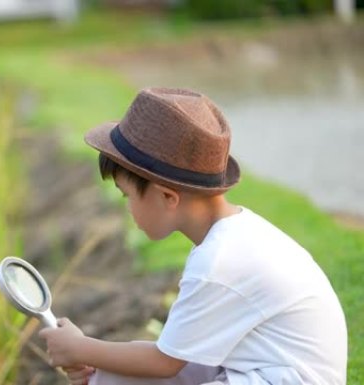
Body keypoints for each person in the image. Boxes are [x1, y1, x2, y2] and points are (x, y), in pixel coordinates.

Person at [38, 88, 347, 385]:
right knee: (114, 376)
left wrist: (80, 348)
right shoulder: (237, 233)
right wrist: (96, 362)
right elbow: (173, 355)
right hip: (262, 371)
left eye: (126, 196)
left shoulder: (218, 262)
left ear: (167, 197)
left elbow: (164, 363)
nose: (128, 208)